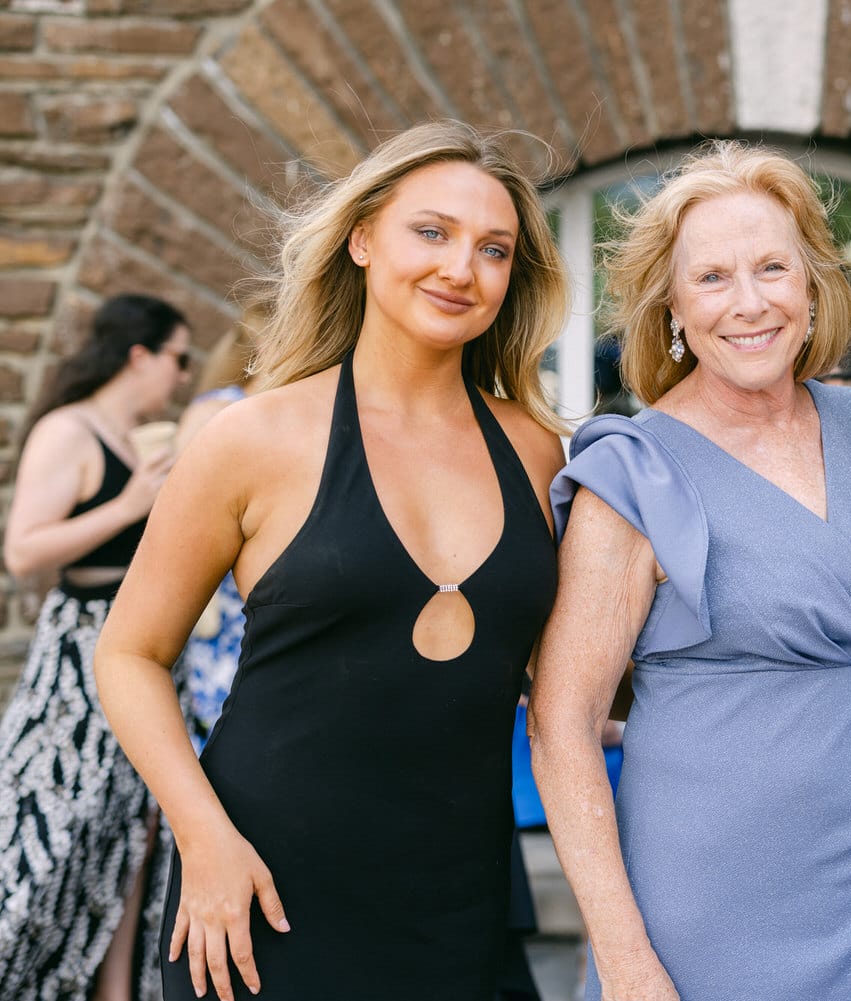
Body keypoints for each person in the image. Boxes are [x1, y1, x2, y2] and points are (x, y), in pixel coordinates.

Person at [92, 119, 568, 1001]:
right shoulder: (253, 439)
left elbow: (573, 679)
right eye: (431, 232)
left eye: (493, 249)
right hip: (258, 897)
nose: (461, 269)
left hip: (462, 902)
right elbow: (128, 654)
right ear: (360, 240)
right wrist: (204, 837)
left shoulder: (540, 454)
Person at [529, 141, 851, 1001]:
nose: (749, 304)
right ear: (671, 303)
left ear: (812, 284)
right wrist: (625, 958)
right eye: (712, 278)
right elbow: (564, 724)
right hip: (699, 899)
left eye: (772, 268)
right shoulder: (636, 469)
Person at [0, 293, 191, 1001]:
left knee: (137, 826)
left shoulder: (137, 436)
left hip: (145, 644)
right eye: (177, 356)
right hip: (82, 654)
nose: (181, 374)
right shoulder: (68, 430)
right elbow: (24, 550)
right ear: (139, 354)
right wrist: (130, 504)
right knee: (57, 824)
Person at [174, 305, 269, 753]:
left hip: (270, 583)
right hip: (222, 585)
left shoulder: (298, 411)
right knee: (224, 721)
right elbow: (177, 503)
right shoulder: (218, 409)